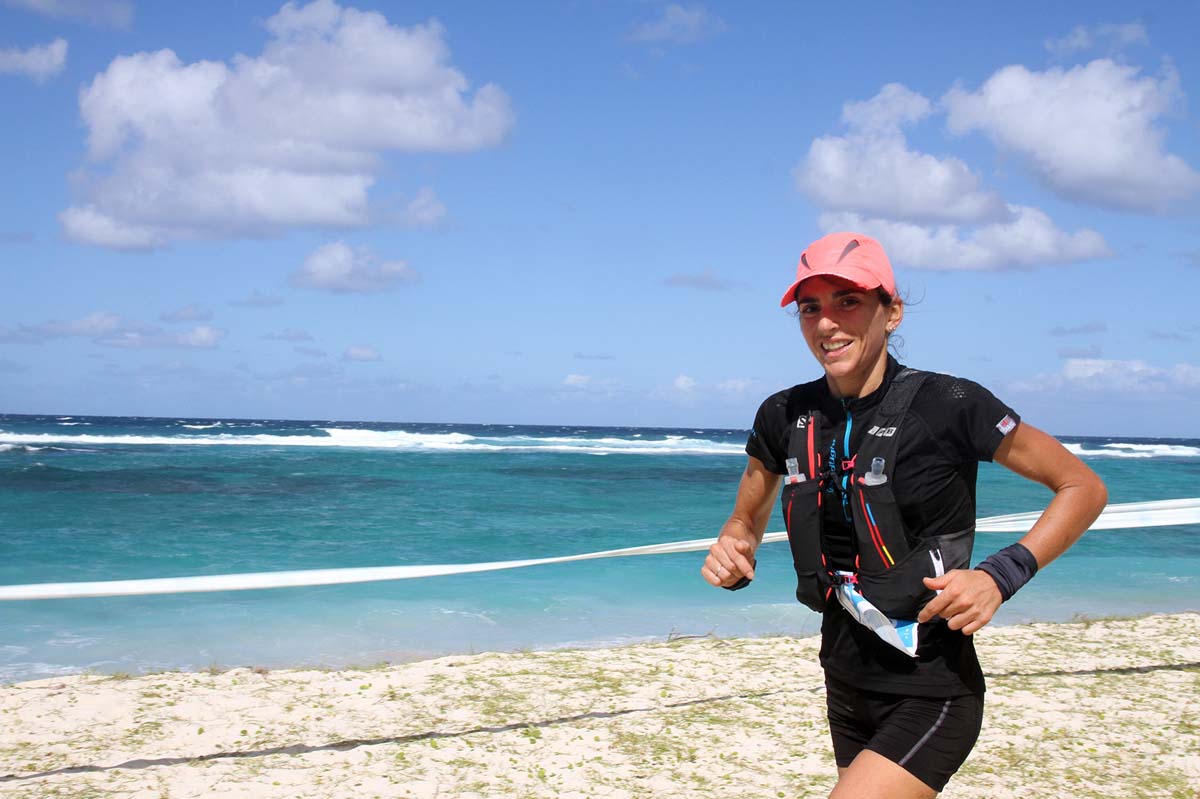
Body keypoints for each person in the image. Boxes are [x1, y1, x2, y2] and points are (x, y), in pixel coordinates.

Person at [701, 231, 1107, 798]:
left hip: (933, 688)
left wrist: (999, 576)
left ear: (890, 312)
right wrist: (732, 549)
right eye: (810, 307)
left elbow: (1081, 486)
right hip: (842, 679)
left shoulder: (952, 404)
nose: (825, 324)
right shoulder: (783, 414)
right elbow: (744, 520)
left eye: (848, 301)